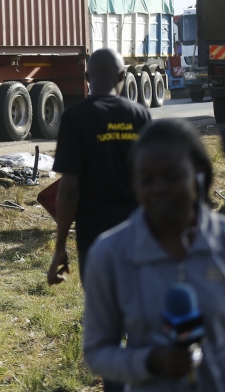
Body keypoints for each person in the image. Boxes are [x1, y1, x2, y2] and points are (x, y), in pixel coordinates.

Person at [83, 119, 225, 389]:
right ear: (134, 185)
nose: (159, 187)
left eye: (172, 176)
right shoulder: (109, 254)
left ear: (198, 174)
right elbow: (97, 352)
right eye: (146, 179)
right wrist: (150, 361)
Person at [48, 48, 151, 288]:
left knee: (102, 318)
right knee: (137, 317)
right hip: (136, 238)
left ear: (87, 79)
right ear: (121, 77)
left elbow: (69, 187)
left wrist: (60, 246)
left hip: (94, 239)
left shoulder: (75, 117)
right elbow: (151, 180)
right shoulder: (140, 116)